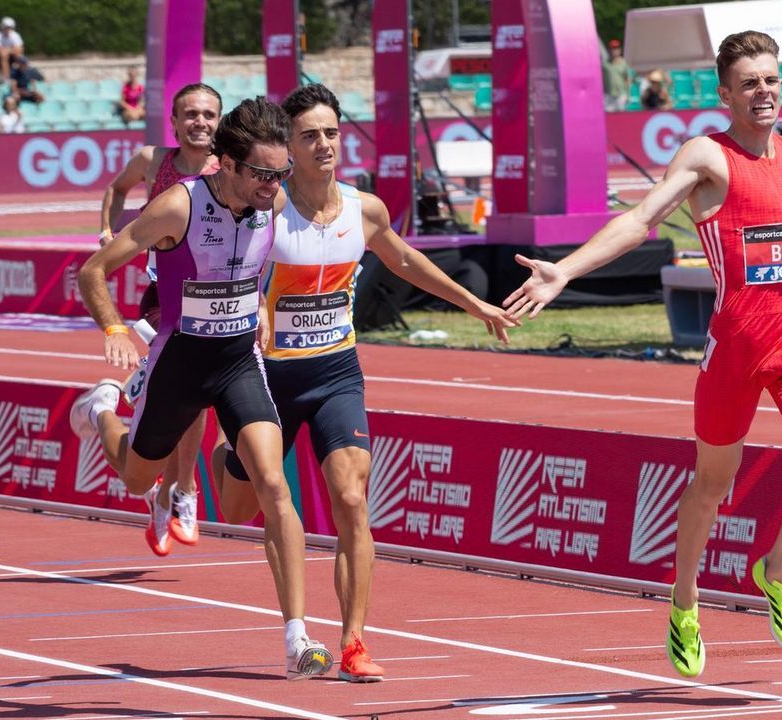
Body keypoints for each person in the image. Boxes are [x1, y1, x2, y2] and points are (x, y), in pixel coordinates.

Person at [503, 30, 782, 679]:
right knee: (710, 487)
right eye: (751, 83)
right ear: (726, 93)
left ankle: (777, 572)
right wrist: (565, 270)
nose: (764, 92)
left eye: (772, 80)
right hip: (734, 349)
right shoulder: (709, 156)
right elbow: (639, 219)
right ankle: (683, 604)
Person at [212, 84, 518, 682]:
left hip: (335, 372)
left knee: (351, 499)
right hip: (268, 377)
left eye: (331, 133)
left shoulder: (364, 209)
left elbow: (406, 262)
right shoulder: (267, 211)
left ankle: (353, 641)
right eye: (309, 136)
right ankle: (231, 456)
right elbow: (226, 264)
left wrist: (474, 304)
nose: (323, 144)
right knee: (238, 506)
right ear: (289, 149)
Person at [69, 97, 335, 681]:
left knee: (272, 483)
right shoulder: (177, 207)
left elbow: (264, 264)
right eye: (263, 174)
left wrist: (262, 308)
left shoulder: (277, 199)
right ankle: (102, 410)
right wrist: (115, 327)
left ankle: (298, 639)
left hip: (239, 361)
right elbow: (92, 270)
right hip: (180, 364)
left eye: (281, 172)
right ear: (229, 165)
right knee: (139, 477)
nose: (274, 185)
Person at [99, 82, 223, 557]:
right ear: (174, 121)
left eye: (208, 115)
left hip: (213, 294)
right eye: (190, 114)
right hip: (165, 294)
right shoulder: (154, 161)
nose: (199, 123)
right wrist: (107, 231)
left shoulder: (227, 166)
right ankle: (184, 490)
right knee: (192, 389)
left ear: (219, 121)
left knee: (196, 395)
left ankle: (167, 494)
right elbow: (116, 189)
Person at [603, 39, 631, 111]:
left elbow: (627, 79)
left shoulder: (623, 63)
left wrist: (628, 95)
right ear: (609, 50)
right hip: (608, 95)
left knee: (621, 116)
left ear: (619, 50)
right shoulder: (605, 64)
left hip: (621, 95)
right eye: (612, 49)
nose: (614, 51)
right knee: (608, 115)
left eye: (616, 48)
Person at [0, 17, 21, 86]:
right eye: (6, 27)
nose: (7, 29)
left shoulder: (15, 35)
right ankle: (6, 78)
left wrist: (8, 50)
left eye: (9, 27)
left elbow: (19, 49)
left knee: (18, 54)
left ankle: (21, 74)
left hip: (12, 56)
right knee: (4, 55)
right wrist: (10, 50)